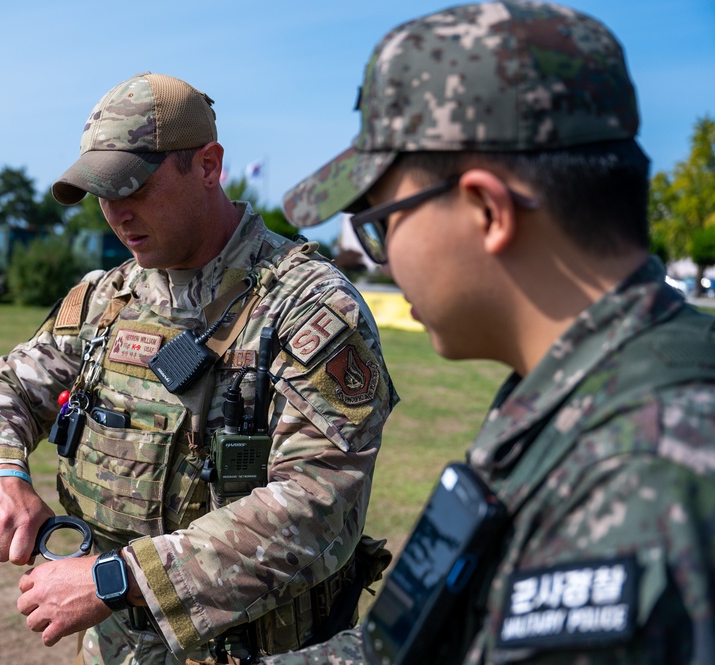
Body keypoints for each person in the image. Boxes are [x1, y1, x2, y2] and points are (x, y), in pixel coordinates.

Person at [267, 1, 715, 663]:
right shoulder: (573, 396)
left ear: (485, 209)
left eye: (380, 222)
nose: (381, 255)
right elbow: (404, 646)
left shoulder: (646, 474)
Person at [0, 72, 398, 664]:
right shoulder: (107, 299)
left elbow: (318, 507)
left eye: (133, 187)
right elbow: (6, 388)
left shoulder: (309, 306)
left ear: (209, 166)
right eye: (101, 193)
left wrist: (117, 580)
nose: (116, 213)